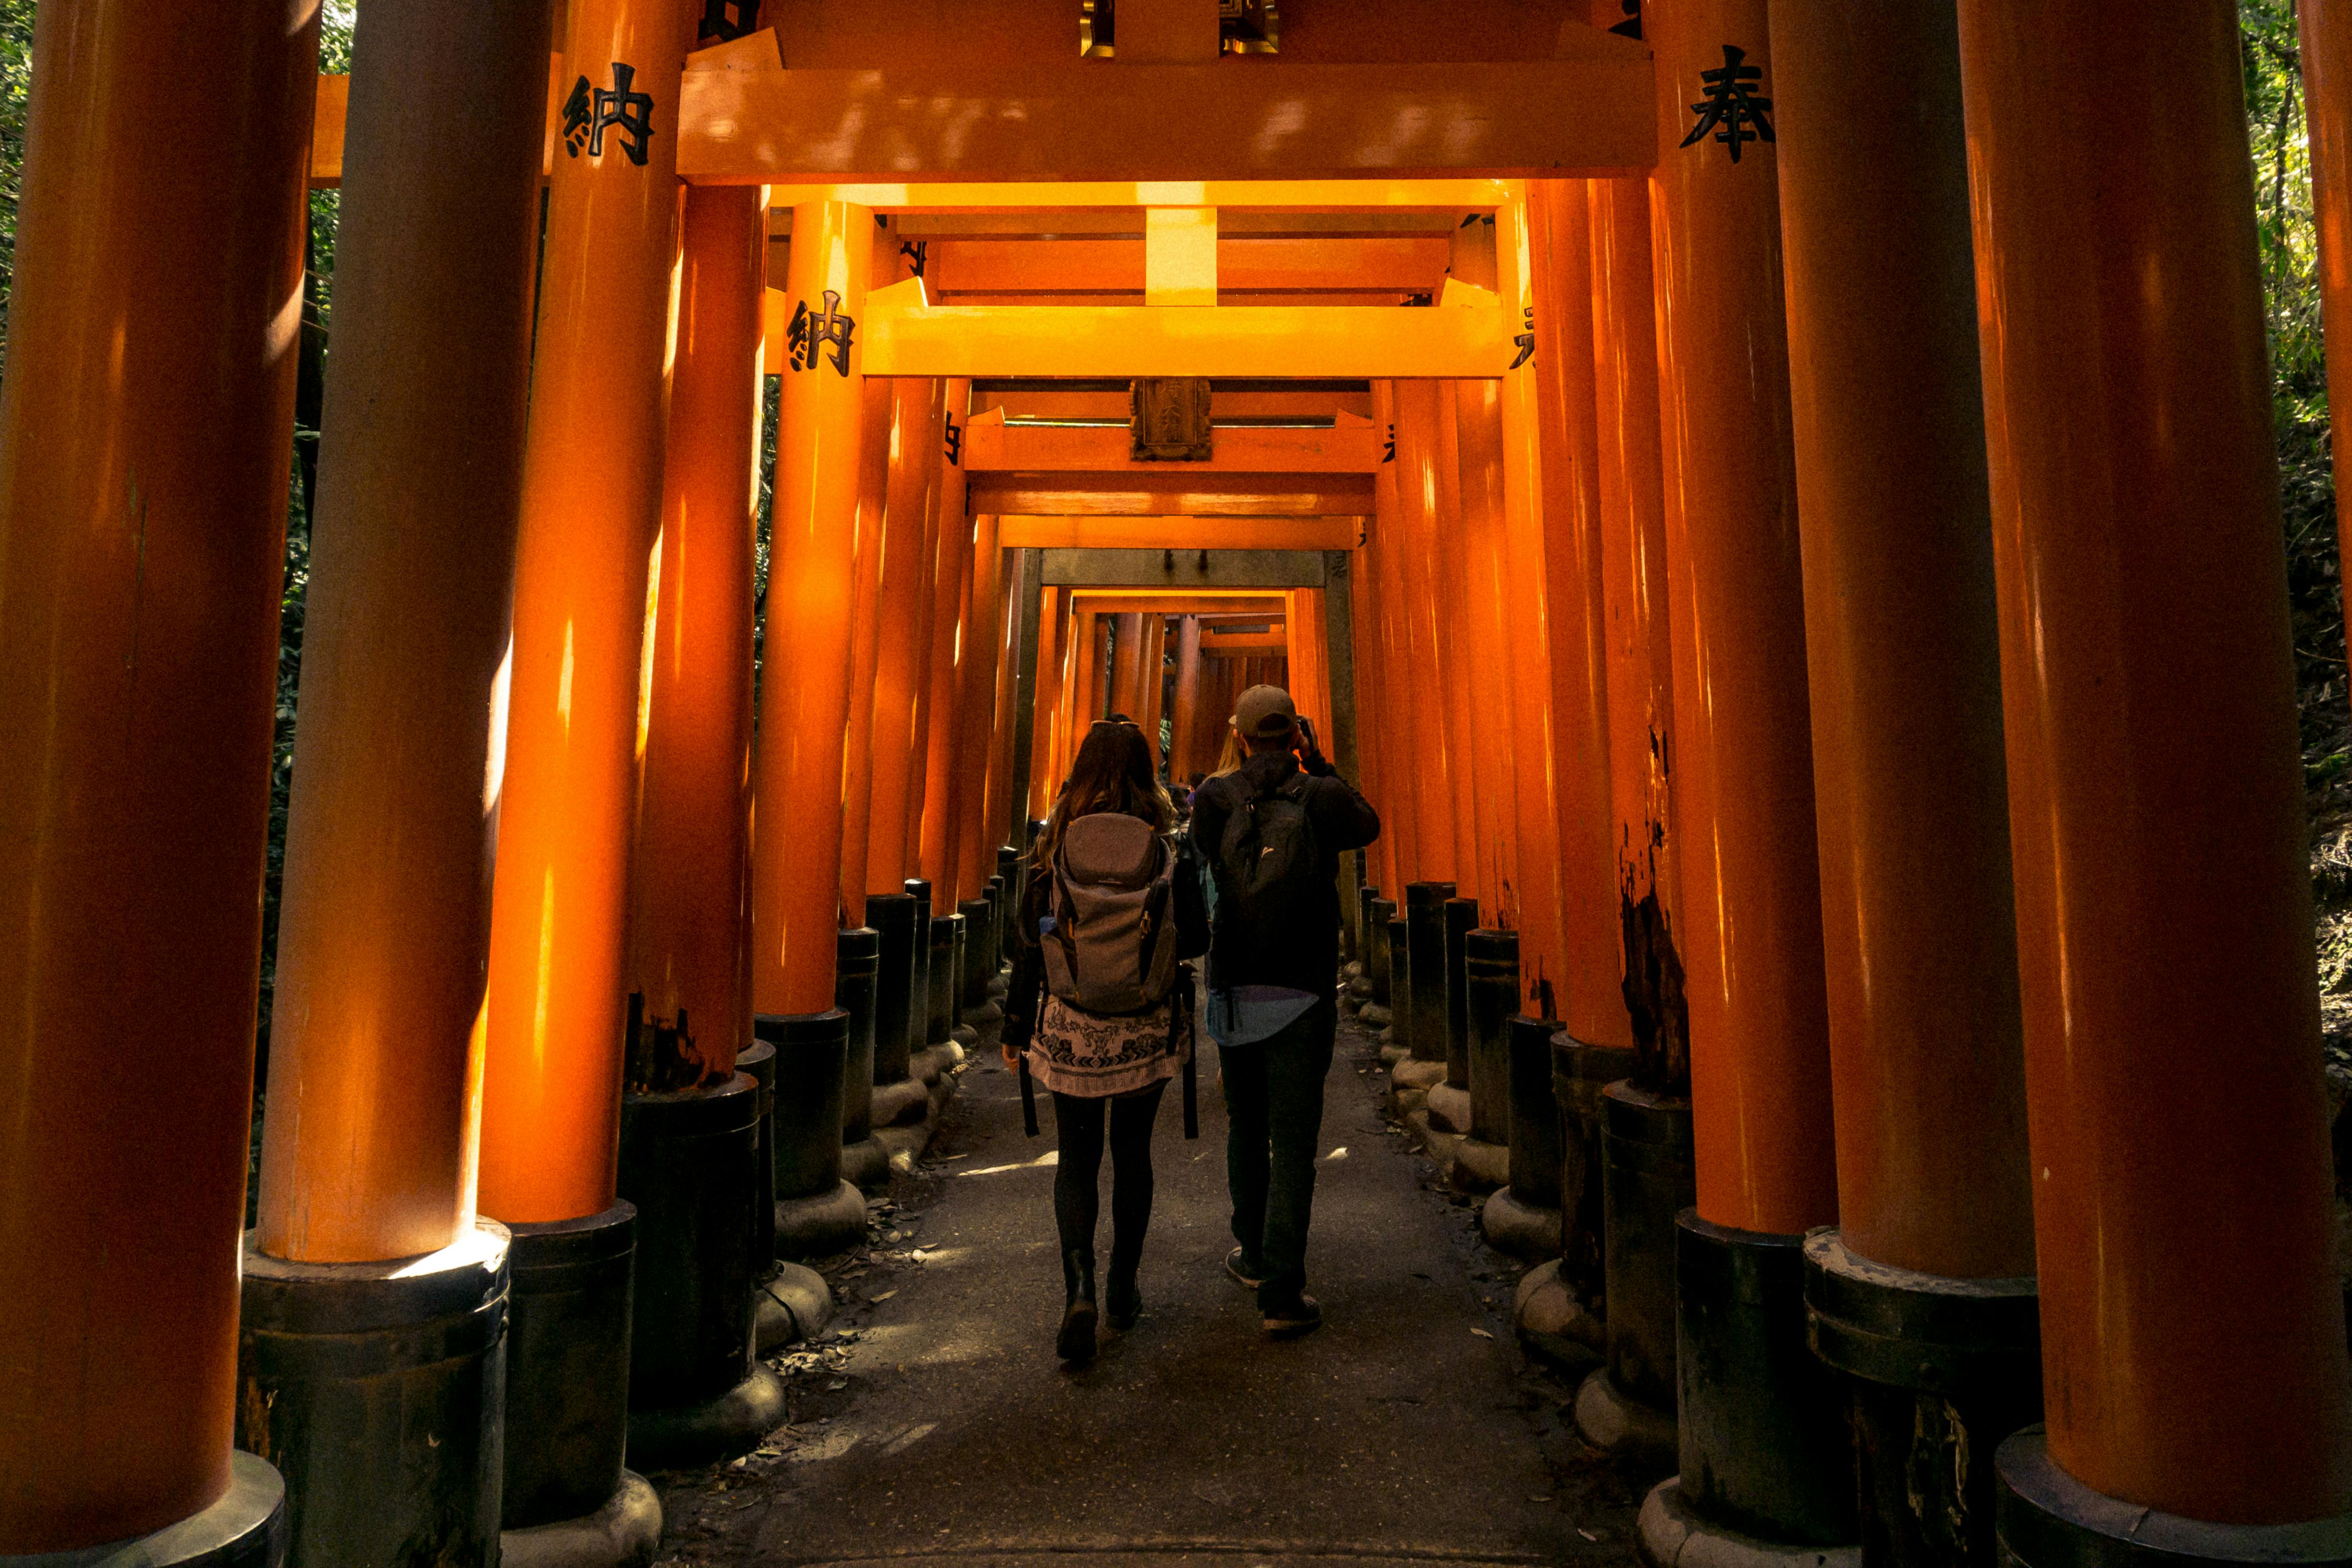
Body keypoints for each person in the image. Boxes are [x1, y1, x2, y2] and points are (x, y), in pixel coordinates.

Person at [1002, 720, 1208, 1363]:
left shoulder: (1054, 840)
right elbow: (1197, 936)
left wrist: (1014, 1026)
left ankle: (1079, 1288)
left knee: (1077, 1157)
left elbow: (1026, 940)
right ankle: (1123, 1287)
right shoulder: (1171, 842)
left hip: (1072, 1021)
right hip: (1145, 1021)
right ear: (1148, 769)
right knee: (1134, 1153)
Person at [1188, 685, 1380, 1338]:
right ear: (1293, 733)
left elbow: (1203, 865)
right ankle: (1282, 1288)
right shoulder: (1321, 797)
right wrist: (1318, 761)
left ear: (1240, 735)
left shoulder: (1213, 799)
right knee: (1294, 1139)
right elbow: (1368, 824)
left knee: (1246, 1124)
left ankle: (1251, 1251)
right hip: (1303, 985)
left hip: (1236, 983)